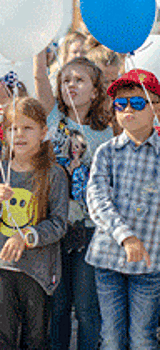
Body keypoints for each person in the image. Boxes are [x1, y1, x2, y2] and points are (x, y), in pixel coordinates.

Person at [34, 52, 113, 349]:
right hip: (54, 227)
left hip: (90, 231)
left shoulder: (105, 133)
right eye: (66, 80)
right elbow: (40, 75)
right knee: (58, 307)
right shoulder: (53, 117)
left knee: (86, 307)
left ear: (95, 91)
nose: (71, 85)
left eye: (79, 80)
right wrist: (38, 46)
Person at [0, 97, 68, 349]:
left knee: (36, 337)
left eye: (27, 127)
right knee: (3, 337)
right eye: (13, 128)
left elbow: (59, 224)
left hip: (36, 271)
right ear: (4, 134)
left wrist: (25, 236)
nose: (19, 134)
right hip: (1, 268)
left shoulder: (54, 174)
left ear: (43, 132)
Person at [86, 69, 160, 349]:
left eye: (138, 103)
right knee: (112, 337)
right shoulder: (106, 152)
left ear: (156, 108)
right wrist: (126, 237)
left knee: (143, 337)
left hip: (151, 263)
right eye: (121, 103)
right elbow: (97, 200)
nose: (128, 108)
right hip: (109, 260)